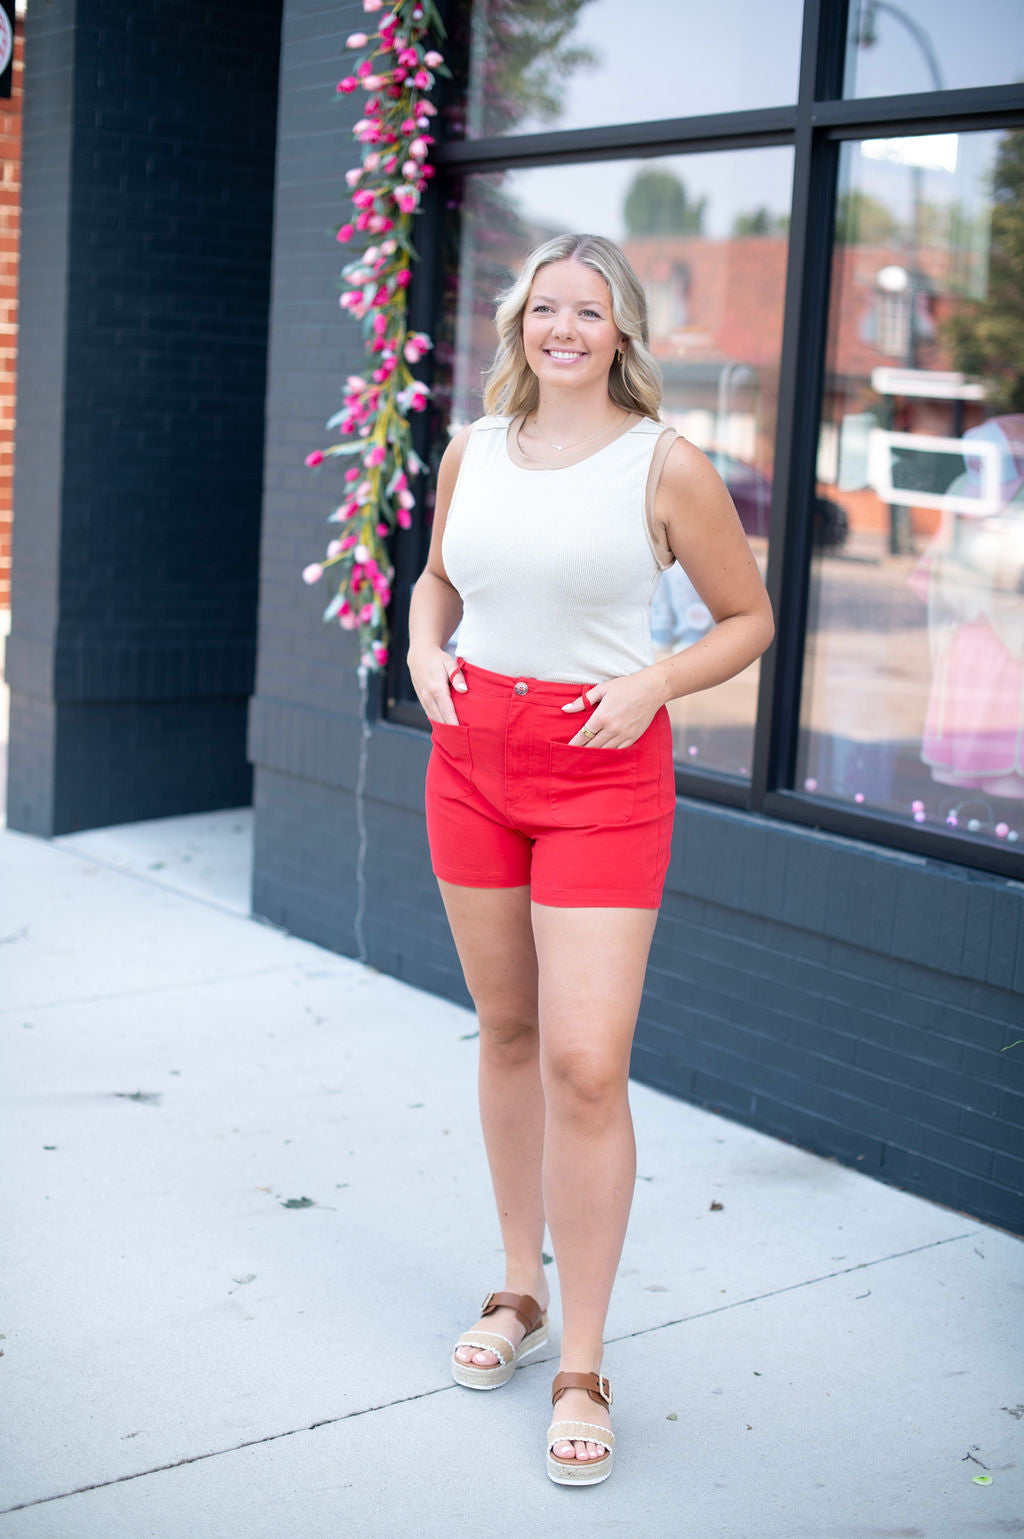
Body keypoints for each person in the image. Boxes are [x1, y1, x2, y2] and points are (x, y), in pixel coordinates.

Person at [407, 233, 774, 1486]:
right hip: (470, 760)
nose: (564, 328)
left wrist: (656, 683)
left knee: (583, 1061)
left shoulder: (661, 465)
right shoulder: (471, 449)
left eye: (590, 310)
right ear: (519, 323)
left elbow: (748, 620)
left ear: (622, 330)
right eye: (544, 308)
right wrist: (420, 650)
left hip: (603, 771)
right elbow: (435, 583)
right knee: (506, 1031)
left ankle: (586, 1362)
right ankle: (519, 1293)